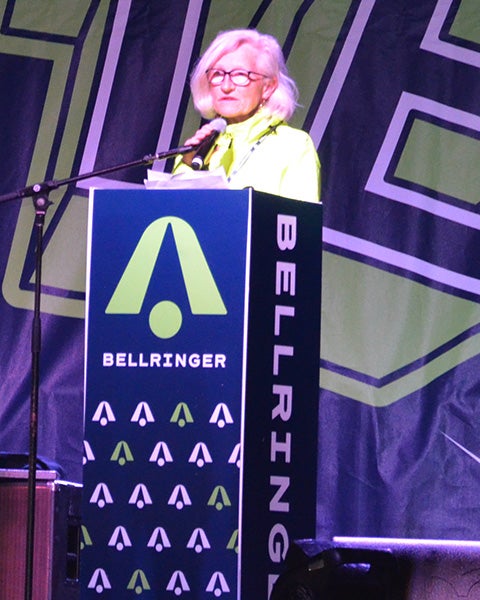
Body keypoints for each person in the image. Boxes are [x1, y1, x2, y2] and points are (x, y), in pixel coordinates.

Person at [174, 29, 320, 203]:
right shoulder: (198, 150)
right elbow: (176, 216)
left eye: (240, 75)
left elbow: (299, 225)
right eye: (218, 74)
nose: (226, 86)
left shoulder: (294, 146)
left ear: (268, 87)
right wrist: (189, 166)